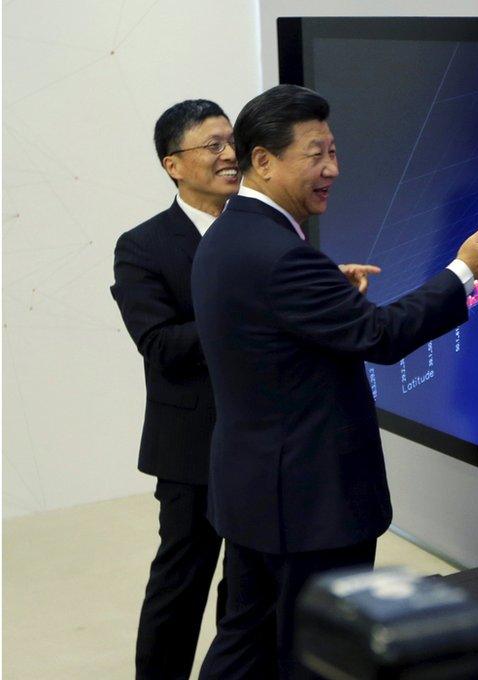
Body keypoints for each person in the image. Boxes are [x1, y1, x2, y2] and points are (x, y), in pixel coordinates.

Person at [191, 84, 478, 679]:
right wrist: (462, 273)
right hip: (309, 502)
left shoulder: (228, 235)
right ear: (263, 160)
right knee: (311, 655)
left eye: (335, 152)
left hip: (252, 491)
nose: (333, 169)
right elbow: (382, 337)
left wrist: (327, 304)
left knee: (244, 642)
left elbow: (270, 336)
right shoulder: (280, 255)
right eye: (316, 154)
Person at [111, 99, 239, 679]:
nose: (229, 155)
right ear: (174, 164)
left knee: (249, 584)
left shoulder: (265, 228)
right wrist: (247, 309)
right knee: (180, 584)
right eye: (212, 145)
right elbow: (161, 345)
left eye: (231, 141)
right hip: (191, 443)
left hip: (264, 439)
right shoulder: (142, 246)